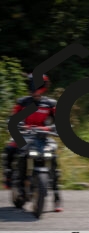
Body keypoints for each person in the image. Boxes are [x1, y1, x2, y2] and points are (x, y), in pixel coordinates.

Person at [3, 73, 62, 211]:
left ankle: (57, 196)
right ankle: (9, 178)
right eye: (32, 85)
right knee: (10, 149)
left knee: (53, 157)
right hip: (24, 135)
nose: (35, 89)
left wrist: (56, 128)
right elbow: (12, 118)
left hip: (43, 136)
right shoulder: (22, 102)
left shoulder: (50, 104)